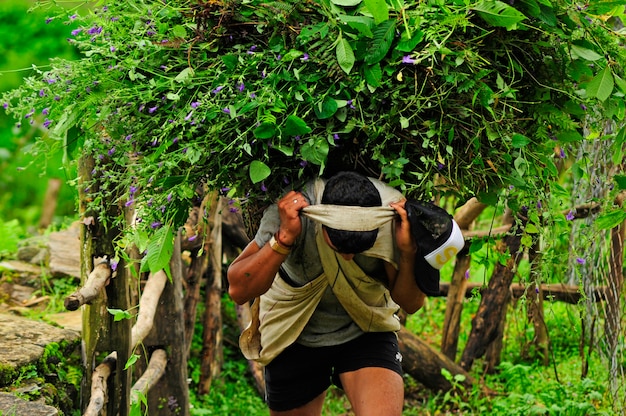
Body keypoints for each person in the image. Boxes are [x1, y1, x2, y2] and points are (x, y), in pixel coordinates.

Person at [227, 171, 426, 416]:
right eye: (339, 246)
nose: (348, 257)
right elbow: (238, 289)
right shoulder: (291, 213)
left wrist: (407, 252)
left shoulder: (391, 216)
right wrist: (285, 238)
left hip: (365, 326)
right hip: (293, 331)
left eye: (360, 247)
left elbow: (412, 303)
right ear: (322, 227)